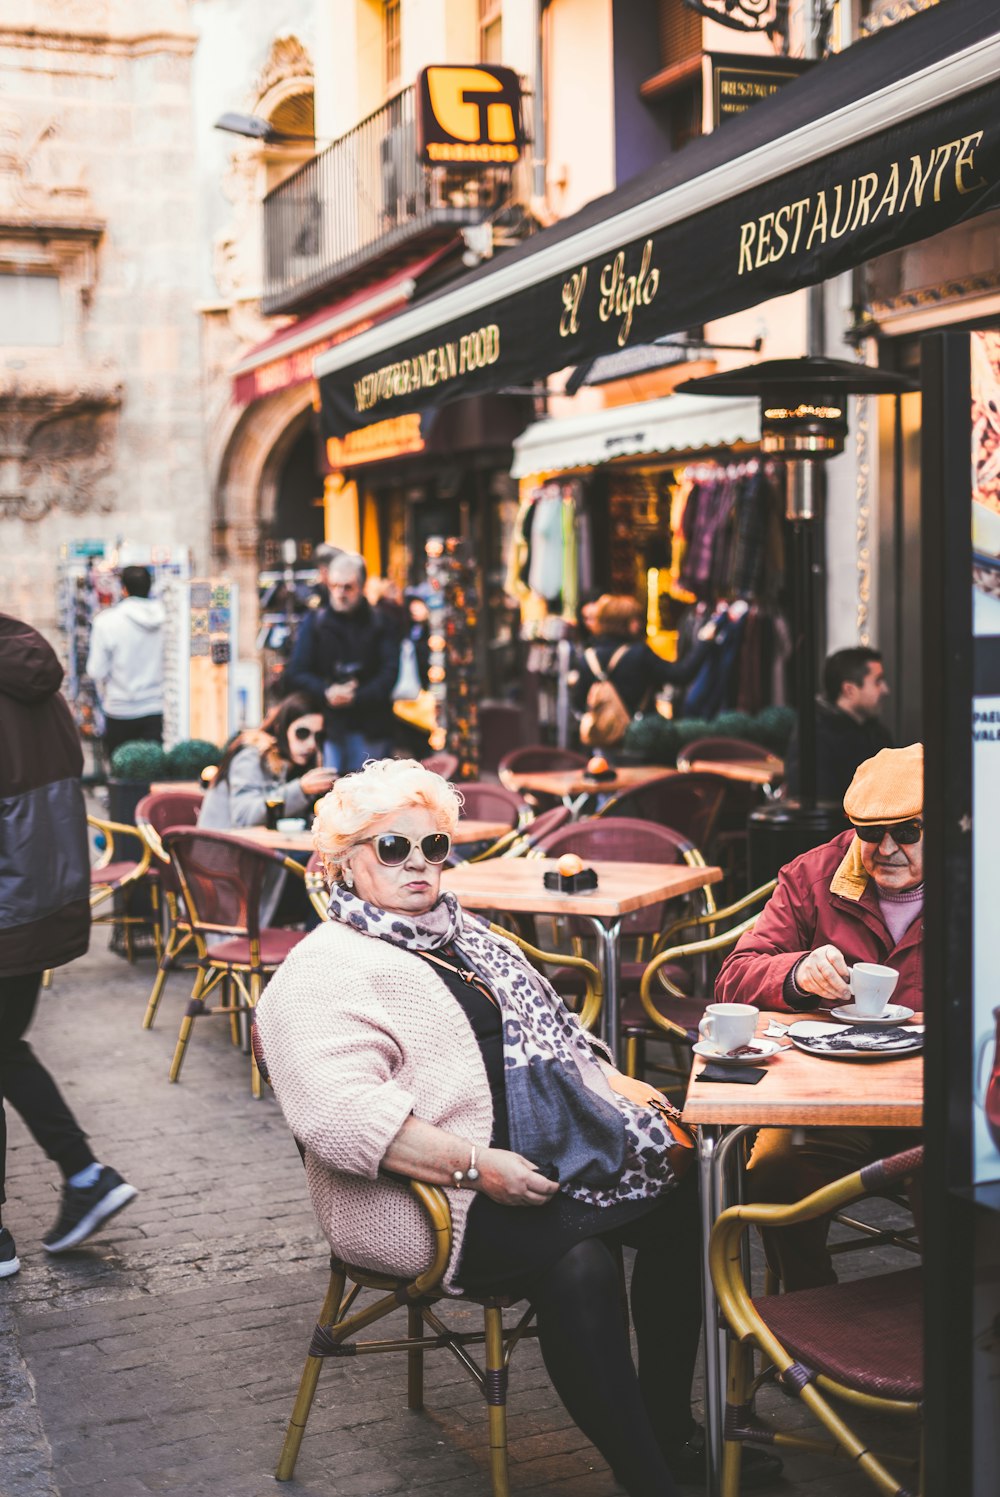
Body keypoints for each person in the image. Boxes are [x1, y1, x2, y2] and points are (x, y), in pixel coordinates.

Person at [256, 759, 781, 1494]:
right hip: (427, 1197)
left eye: (434, 846)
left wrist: (630, 1095)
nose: (418, 864)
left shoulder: (468, 936)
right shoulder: (322, 970)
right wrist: (478, 1164)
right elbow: (341, 1117)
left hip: (542, 1152)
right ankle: (649, 1477)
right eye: (392, 847)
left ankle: (671, 1429)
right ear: (343, 862)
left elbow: (566, 1045)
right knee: (580, 1262)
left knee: (687, 1201)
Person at [715, 742, 923, 1289]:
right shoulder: (814, 874)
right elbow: (735, 974)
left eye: (908, 831)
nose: (886, 847)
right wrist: (795, 975)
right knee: (773, 1173)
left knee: (968, 1185)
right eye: (870, 832)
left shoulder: (981, 879)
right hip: (827, 1104)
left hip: (941, 1106)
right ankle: (808, 1310)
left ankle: (950, 1335)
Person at [0, 613, 137, 1277]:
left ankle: (83, 1173)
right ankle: (83, 1174)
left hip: (7, 910)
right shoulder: (40, 684)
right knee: (4, 1049)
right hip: (43, 905)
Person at [198, 694, 336, 925]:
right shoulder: (252, 755)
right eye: (303, 733)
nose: (311, 744)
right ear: (282, 728)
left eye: (318, 736)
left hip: (257, 865)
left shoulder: (290, 763)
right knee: (320, 874)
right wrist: (301, 789)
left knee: (332, 871)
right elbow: (244, 816)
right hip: (224, 873)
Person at [284, 552, 399, 774]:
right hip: (328, 727)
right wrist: (327, 691)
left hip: (371, 727)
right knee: (331, 793)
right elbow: (296, 672)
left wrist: (356, 696)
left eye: (348, 587)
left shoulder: (381, 622)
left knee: (369, 795)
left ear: (361, 586)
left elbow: (389, 674)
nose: (340, 593)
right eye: (335, 586)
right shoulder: (315, 622)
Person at [570, 593, 711, 730]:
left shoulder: (588, 656)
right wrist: (704, 641)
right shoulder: (639, 653)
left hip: (602, 737)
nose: (639, 624)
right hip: (639, 734)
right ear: (625, 622)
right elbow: (682, 674)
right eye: (635, 620)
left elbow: (578, 703)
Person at [784, 646, 893, 804]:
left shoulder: (878, 733)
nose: (885, 689)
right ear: (849, 690)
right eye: (878, 681)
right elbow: (822, 807)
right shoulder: (815, 738)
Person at [85, 564, 165, 758]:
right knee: (154, 773)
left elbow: (96, 671)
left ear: (123, 589)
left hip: (120, 709)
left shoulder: (106, 622)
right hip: (157, 708)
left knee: (121, 775)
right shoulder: (167, 618)